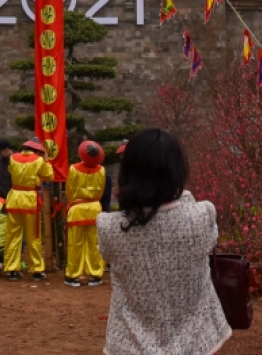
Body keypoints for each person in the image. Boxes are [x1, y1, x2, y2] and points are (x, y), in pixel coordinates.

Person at [97, 128, 231, 355]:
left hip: (130, 344)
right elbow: (207, 236)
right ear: (177, 171)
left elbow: (108, 253)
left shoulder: (109, 226)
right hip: (197, 343)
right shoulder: (202, 216)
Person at [3, 136, 54, 281]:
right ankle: (36, 270)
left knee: (12, 236)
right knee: (34, 236)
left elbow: (11, 172)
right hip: (30, 200)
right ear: (37, 150)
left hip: (13, 199)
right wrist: (46, 160)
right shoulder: (39, 160)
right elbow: (49, 176)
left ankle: (12, 269)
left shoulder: (12, 158)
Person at [64, 140, 107, 287]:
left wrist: (71, 203)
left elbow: (69, 189)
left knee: (75, 243)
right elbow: (101, 190)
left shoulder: (73, 168)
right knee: (95, 243)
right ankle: (95, 274)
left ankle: (73, 275)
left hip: (77, 208)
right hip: (95, 208)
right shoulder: (101, 170)